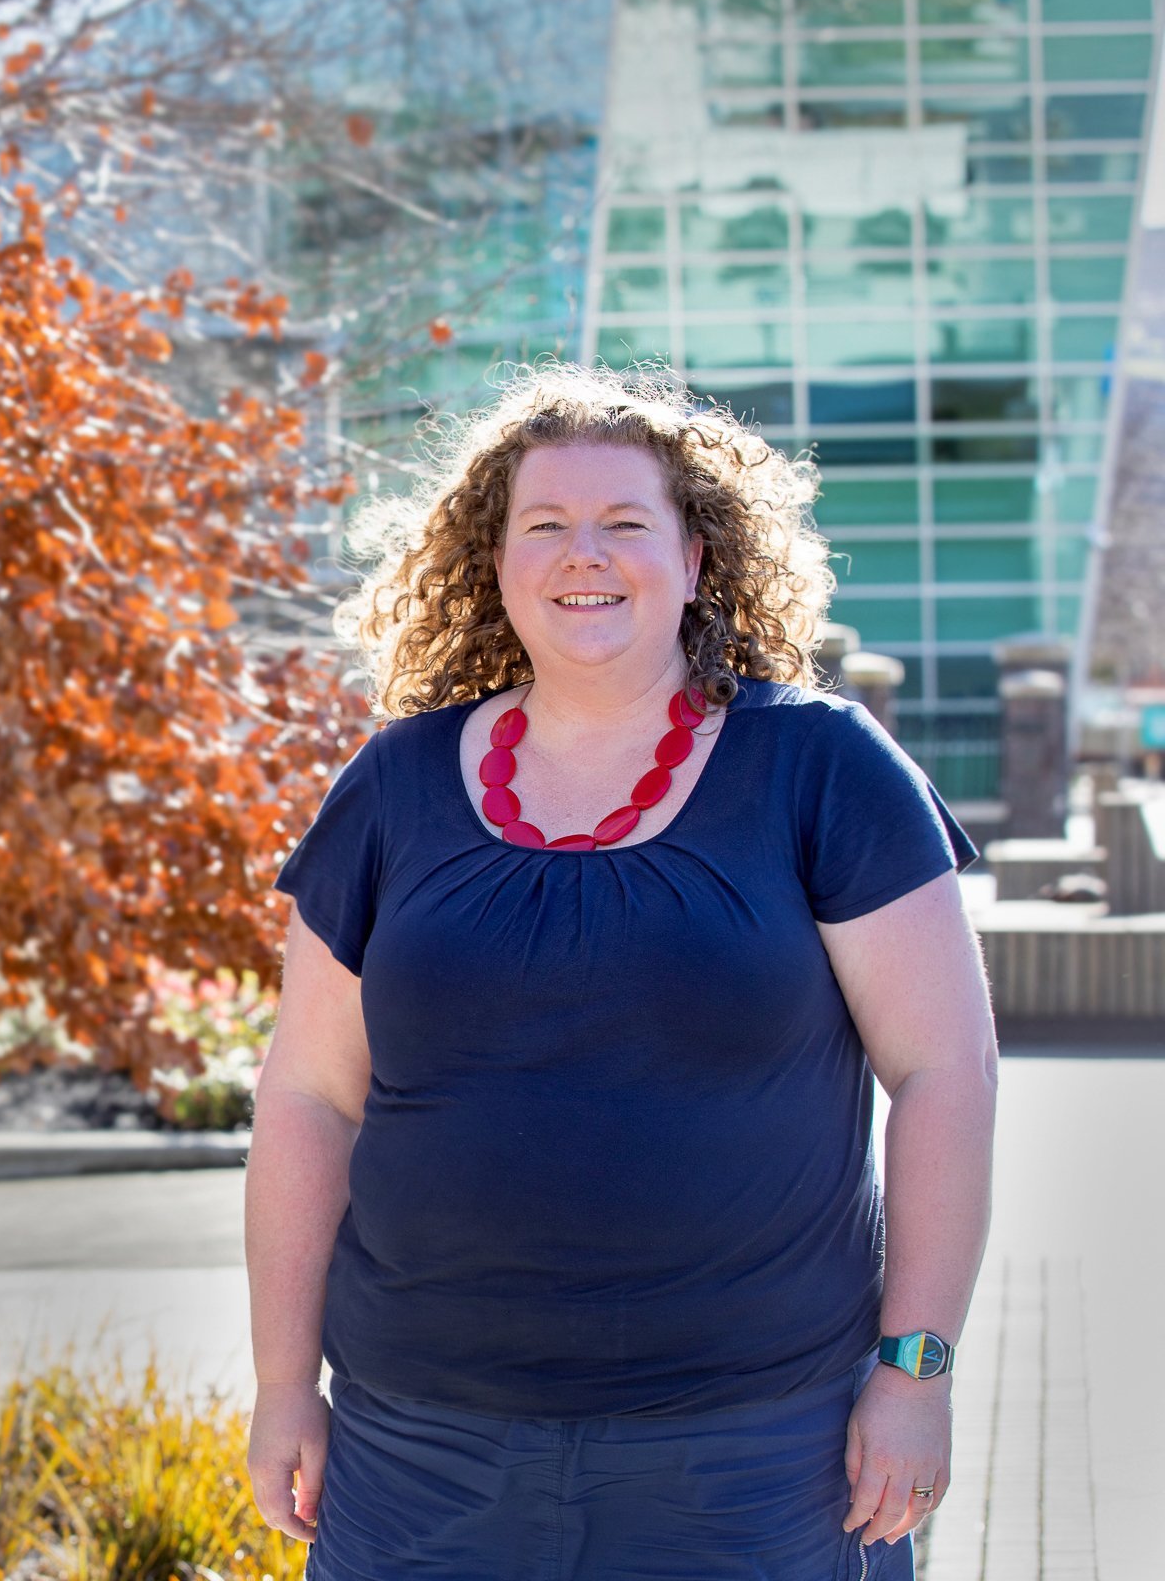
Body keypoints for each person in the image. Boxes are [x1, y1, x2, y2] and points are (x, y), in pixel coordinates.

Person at [244, 365, 997, 1580]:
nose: (581, 554)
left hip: (755, 1458)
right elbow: (308, 1098)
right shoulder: (393, 785)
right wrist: (285, 1383)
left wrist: (916, 1372)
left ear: (696, 557)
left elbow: (946, 1072)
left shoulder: (820, 767)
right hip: (419, 1456)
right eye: (543, 524)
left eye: (624, 523)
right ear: (494, 563)